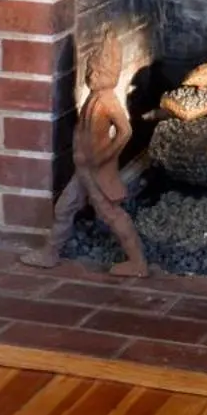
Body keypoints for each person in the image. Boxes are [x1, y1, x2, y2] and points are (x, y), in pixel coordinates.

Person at [21, 29, 147, 277]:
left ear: (110, 75)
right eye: (90, 71)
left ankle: (137, 262)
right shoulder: (94, 98)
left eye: (98, 73)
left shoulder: (109, 102)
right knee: (65, 208)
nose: (91, 76)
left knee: (111, 214)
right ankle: (50, 253)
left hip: (96, 171)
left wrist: (106, 156)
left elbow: (125, 131)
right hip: (83, 169)